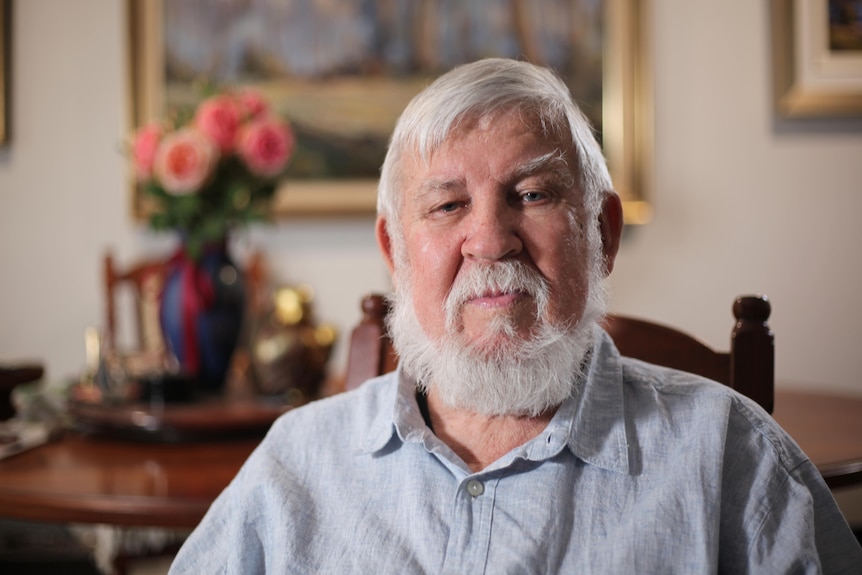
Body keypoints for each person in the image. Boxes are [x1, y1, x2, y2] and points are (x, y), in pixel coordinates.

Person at [169, 58, 862, 573]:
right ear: (395, 252)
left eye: (531, 193)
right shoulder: (296, 464)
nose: (491, 240)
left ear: (603, 233)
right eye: (446, 206)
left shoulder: (732, 455)